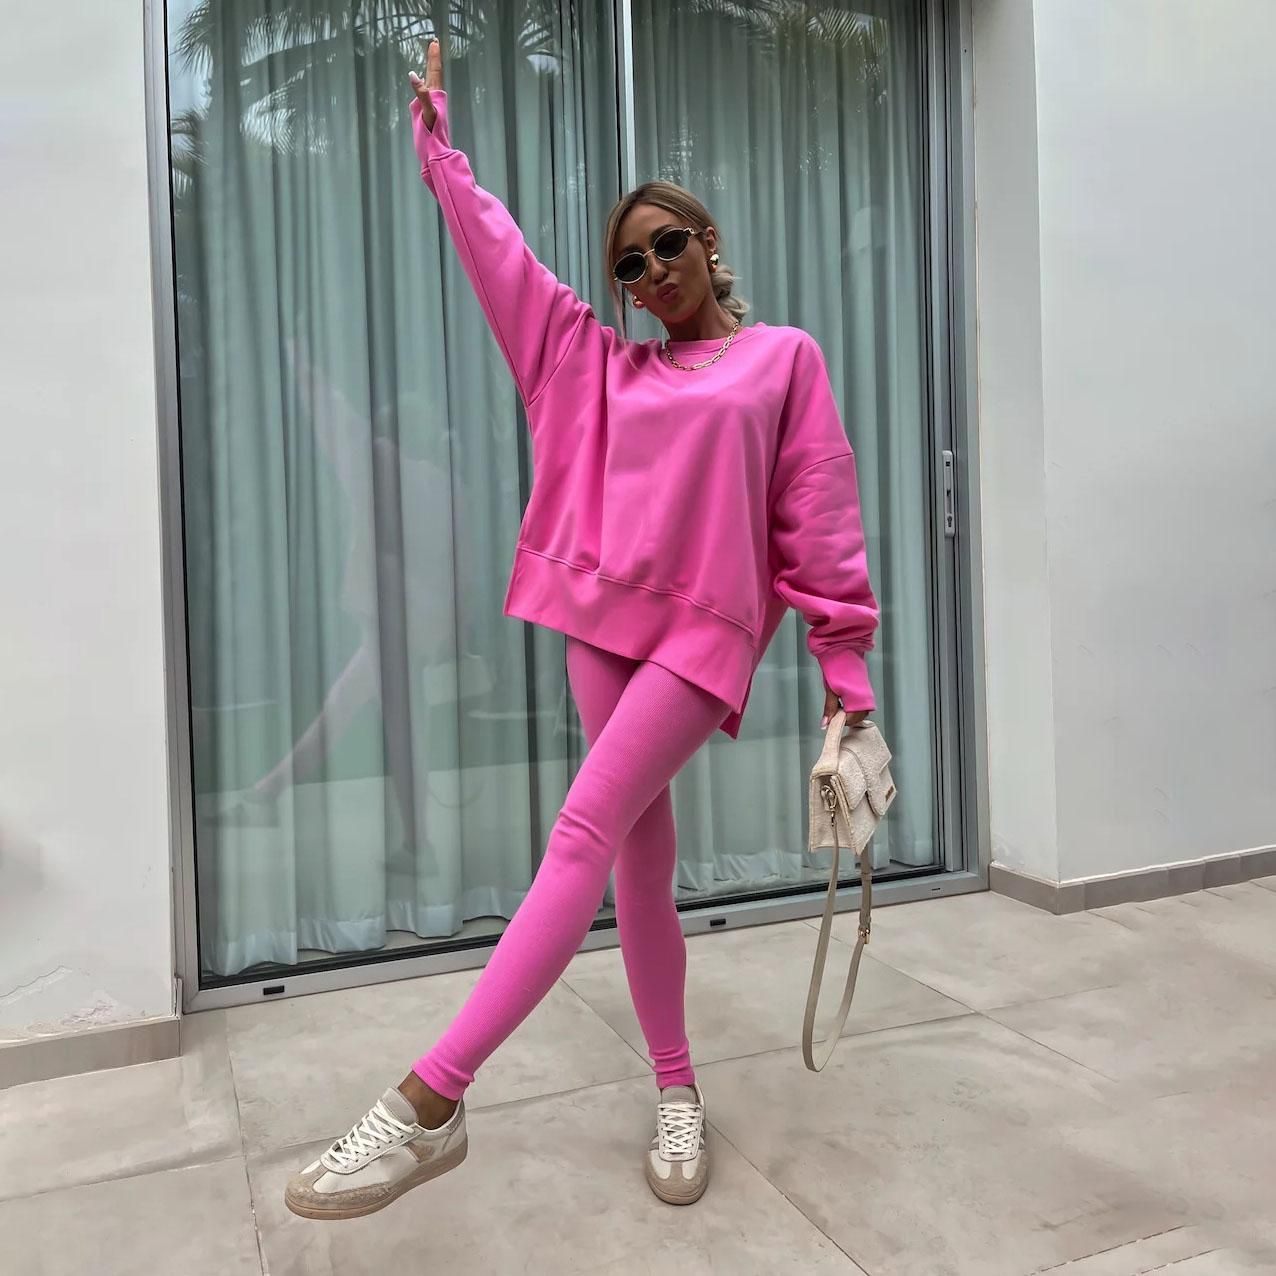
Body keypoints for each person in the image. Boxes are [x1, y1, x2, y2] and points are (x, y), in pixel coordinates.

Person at [285, 36, 879, 1221]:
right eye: (629, 264)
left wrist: (842, 663)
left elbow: (815, 509)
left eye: (667, 245)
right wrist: (439, 151)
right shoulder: (590, 365)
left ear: (707, 242)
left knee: (578, 831)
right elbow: (499, 259)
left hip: (703, 637)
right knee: (638, 868)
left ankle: (431, 1098)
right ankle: (677, 1086)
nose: (651, 271)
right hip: (598, 627)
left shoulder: (781, 360)